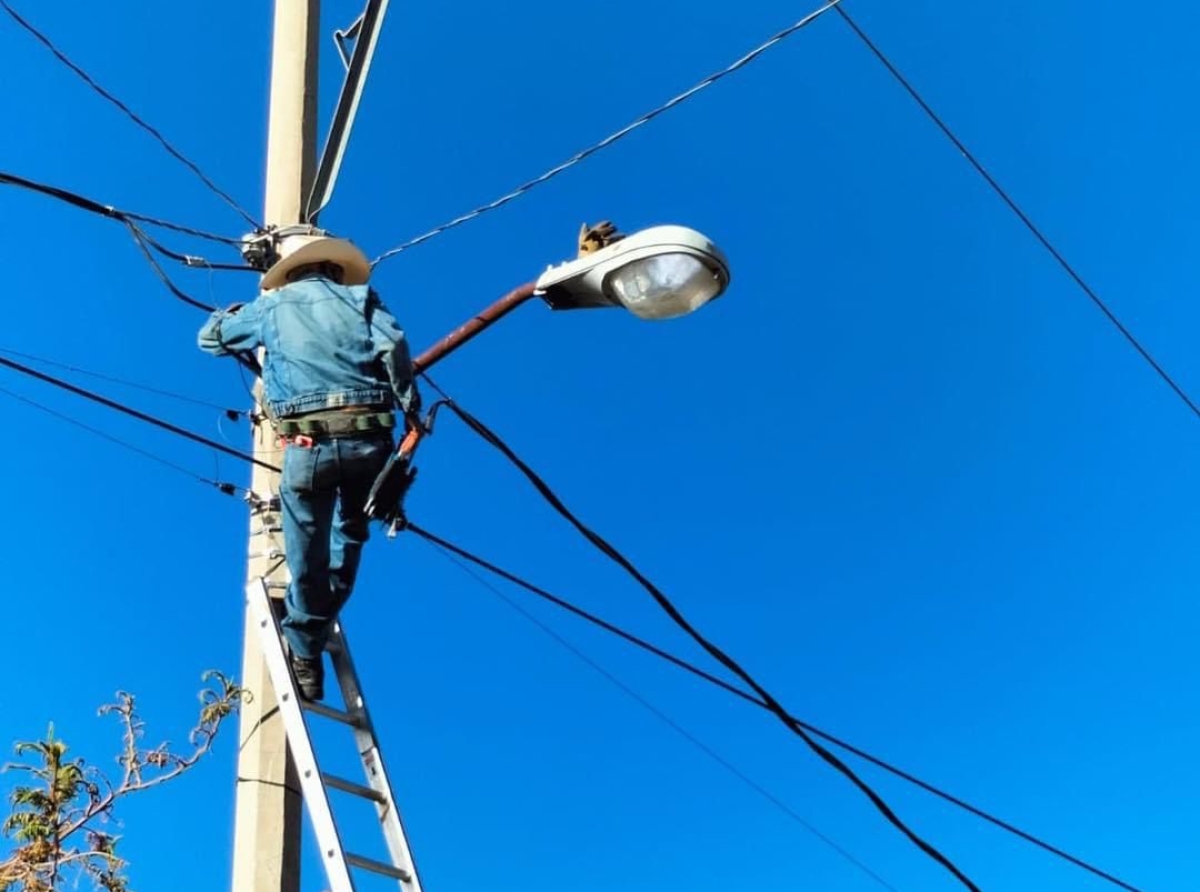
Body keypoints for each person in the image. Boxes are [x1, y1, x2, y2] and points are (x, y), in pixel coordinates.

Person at [198, 230, 418, 701]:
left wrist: (231, 315)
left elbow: (210, 340)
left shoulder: (273, 307)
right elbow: (395, 346)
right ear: (334, 270)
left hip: (308, 445)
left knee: (305, 556)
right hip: (369, 441)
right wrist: (410, 405)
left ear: (290, 274)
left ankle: (303, 643)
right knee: (350, 536)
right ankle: (310, 635)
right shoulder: (362, 298)